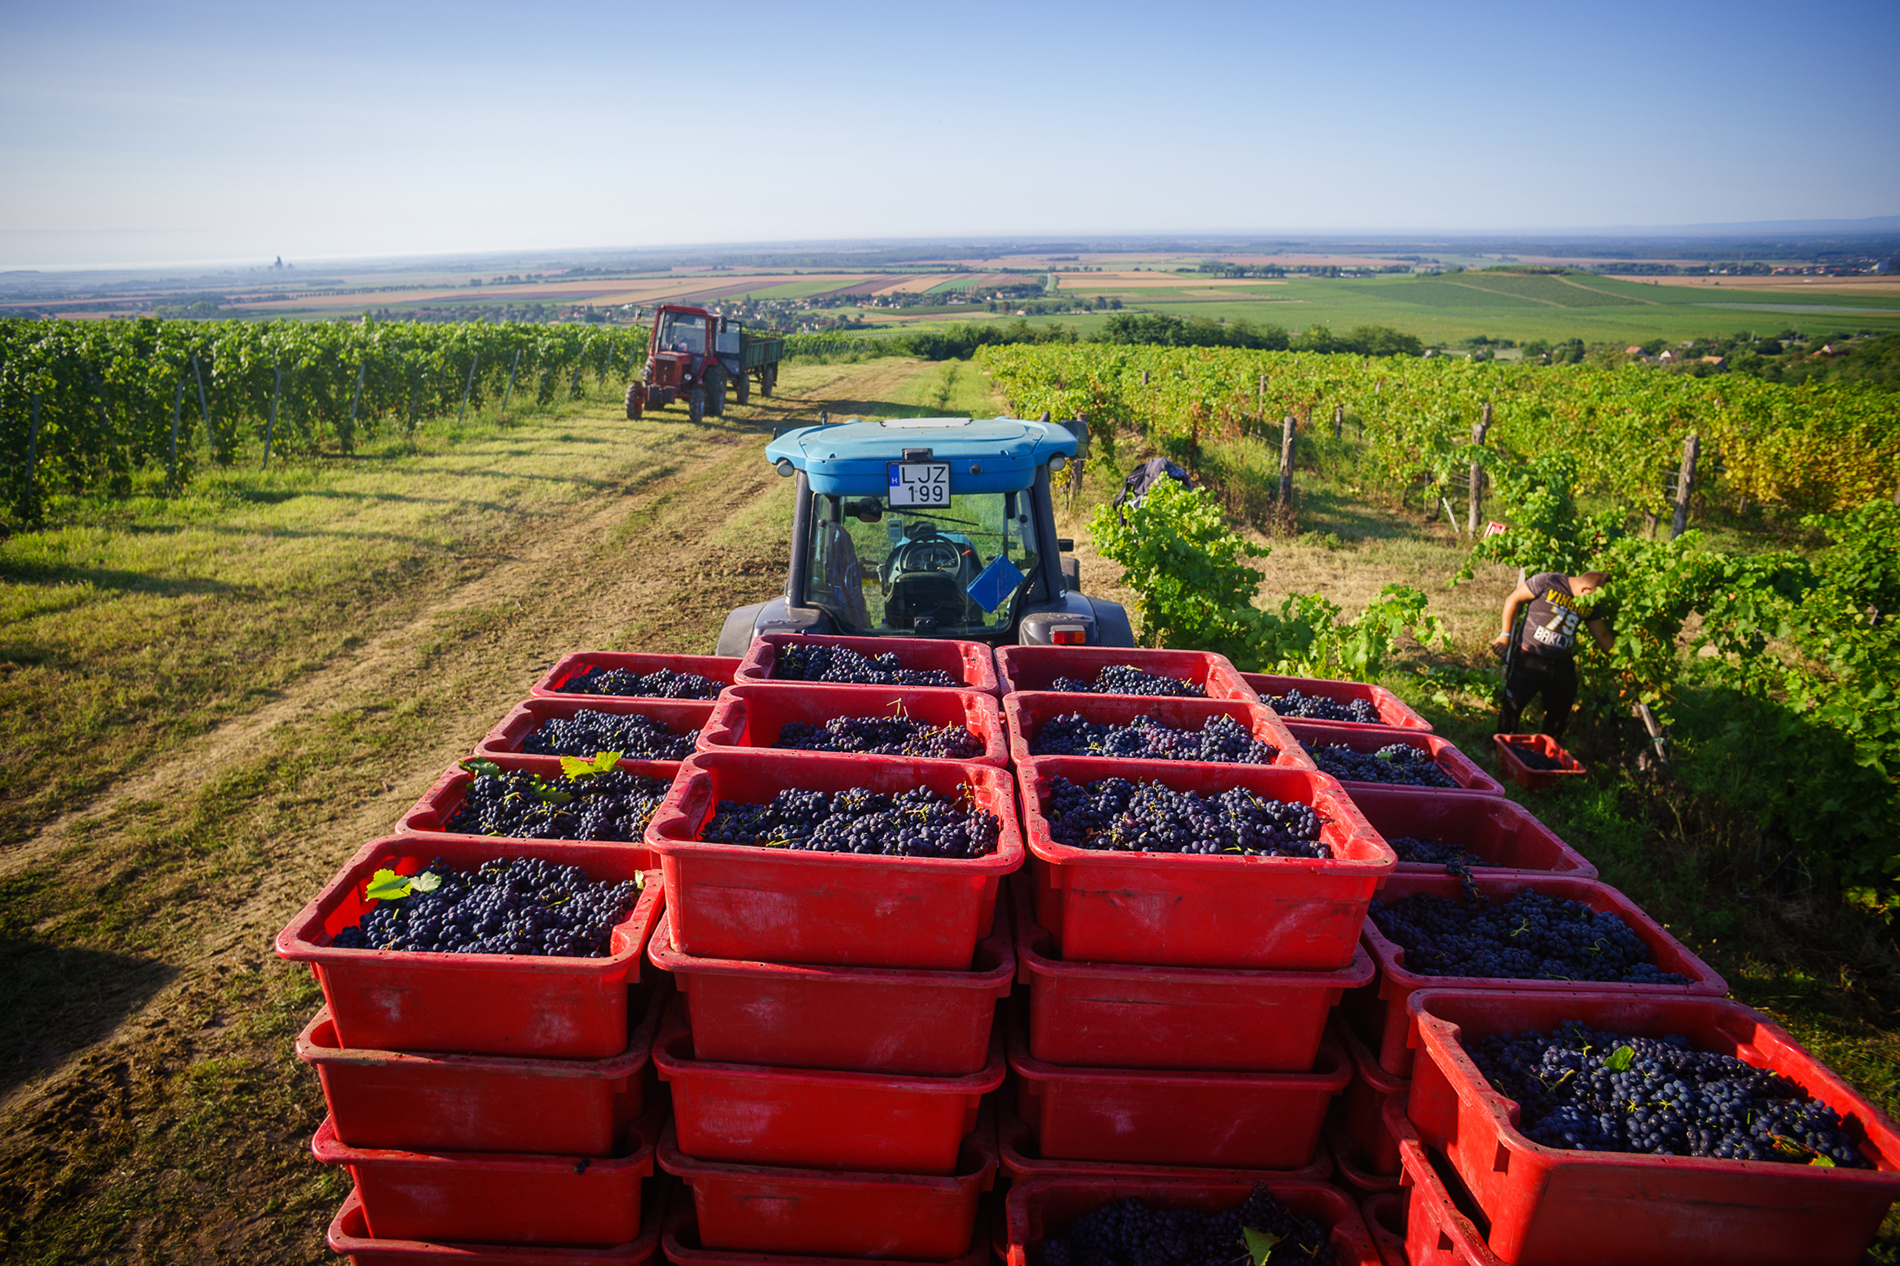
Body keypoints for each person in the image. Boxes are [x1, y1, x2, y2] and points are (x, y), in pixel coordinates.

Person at [1490, 570, 1613, 740]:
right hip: (1529, 657)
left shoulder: (1591, 603)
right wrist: (1505, 636)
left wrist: (1623, 662)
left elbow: (1603, 635)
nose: (1596, 602)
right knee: (1512, 707)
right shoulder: (1548, 581)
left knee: (1560, 710)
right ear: (1586, 590)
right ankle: (1501, 749)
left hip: (1560, 662)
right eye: (1596, 597)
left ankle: (1547, 753)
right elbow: (1513, 599)